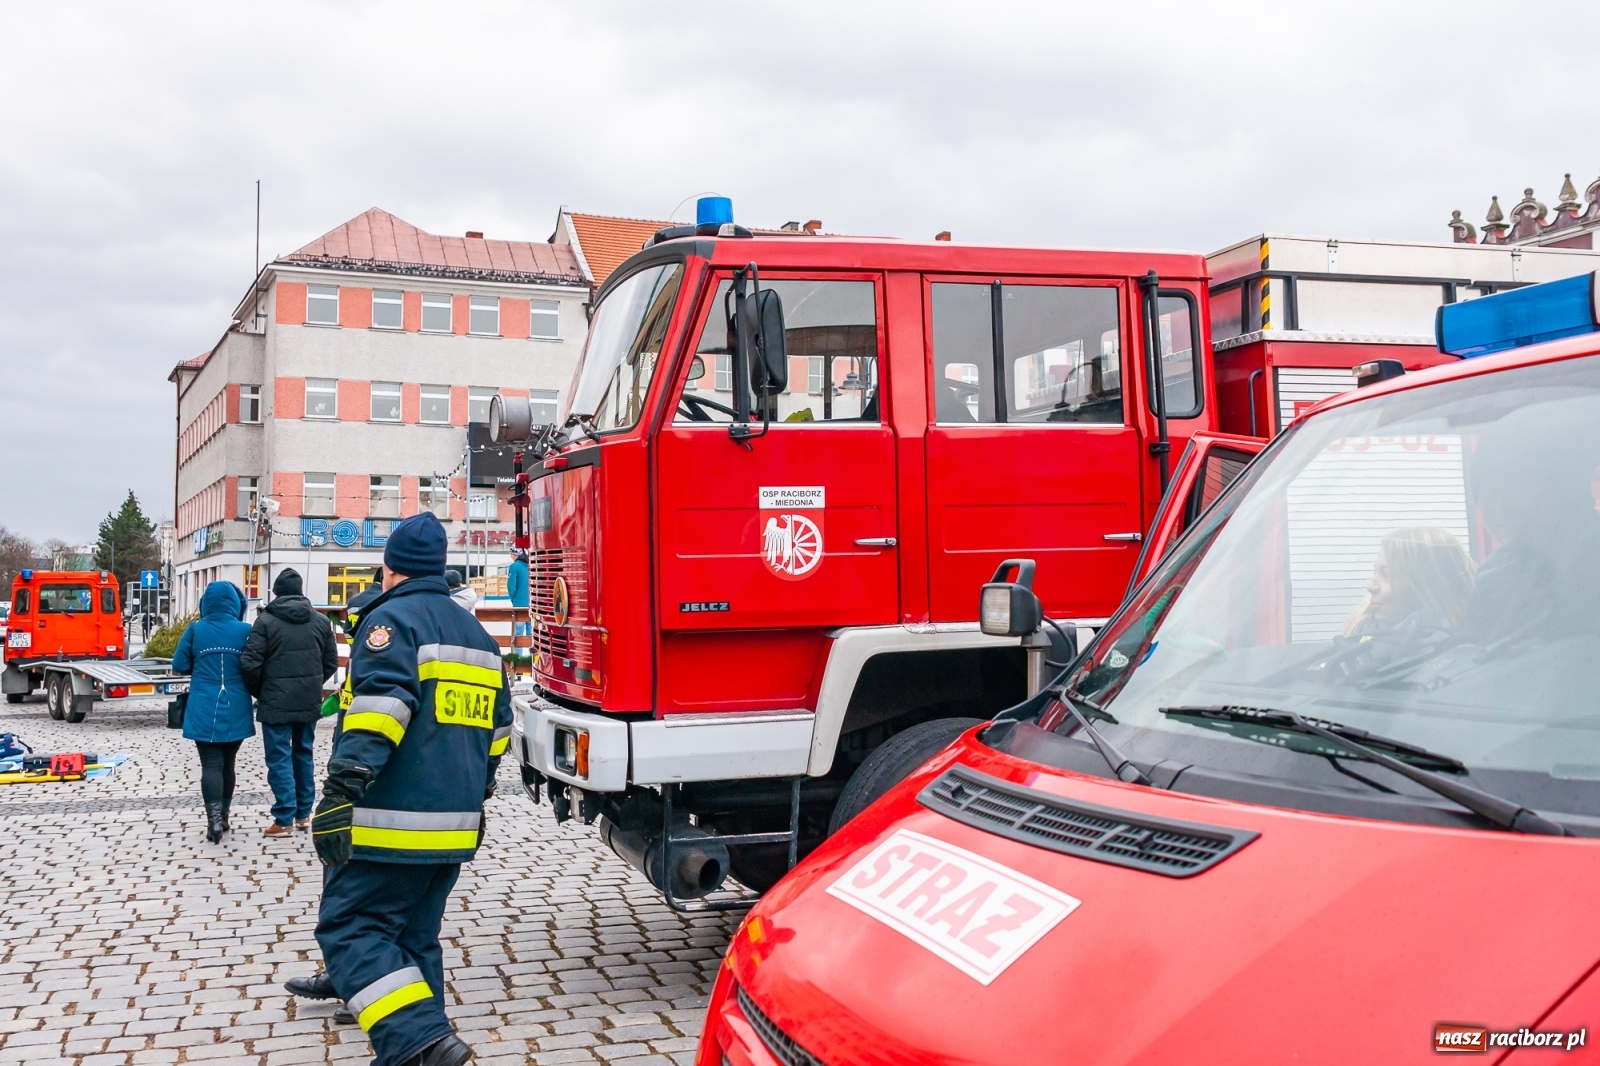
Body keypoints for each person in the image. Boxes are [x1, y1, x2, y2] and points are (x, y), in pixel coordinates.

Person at [296, 512, 509, 1066]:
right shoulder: (480, 637)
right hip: (455, 825)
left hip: (389, 820)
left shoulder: (391, 622)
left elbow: (379, 709)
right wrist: (475, 789)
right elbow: (499, 731)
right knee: (414, 941)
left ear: (390, 569)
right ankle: (409, 1053)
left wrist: (341, 790)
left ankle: (420, 1042)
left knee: (349, 930)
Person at [241, 569, 339, 837]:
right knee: (303, 753)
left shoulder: (265, 622)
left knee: (279, 757)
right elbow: (330, 662)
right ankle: (303, 814)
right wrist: (312, 683)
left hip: (275, 700)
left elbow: (250, 662)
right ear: (300, 590)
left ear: (276, 592)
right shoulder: (320, 622)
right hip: (308, 700)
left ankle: (283, 817)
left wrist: (261, 691)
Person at [171, 581, 254, 844]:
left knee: (210, 765)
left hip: (203, 705)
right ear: (234, 603)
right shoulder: (245, 630)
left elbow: (180, 665)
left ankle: (213, 821)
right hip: (237, 704)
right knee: (228, 764)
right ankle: (226, 816)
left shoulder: (196, 628)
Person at [1344, 527, 1475, 637]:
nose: (1371, 587)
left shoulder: (1471, 655)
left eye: (1387, 573)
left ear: (1426, 585)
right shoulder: (1364, 639)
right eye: (1375, 572)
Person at [345, 568, 384, 637]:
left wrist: (355, 646)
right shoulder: (388, 599)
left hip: (357, 645)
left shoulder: (354, 600)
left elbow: (348, 631)